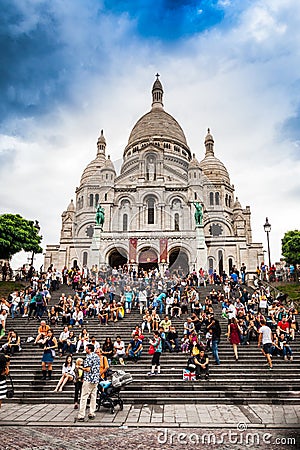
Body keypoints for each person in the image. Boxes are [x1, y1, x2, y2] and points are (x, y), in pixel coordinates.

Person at [77, 344, 100, 421]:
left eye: (86, 348)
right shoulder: (97, 356)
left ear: (89, 349)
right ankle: (92, 412)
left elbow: (88, 369)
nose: (85, 349)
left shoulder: (88, 357)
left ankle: (81, 415)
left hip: (89, 379)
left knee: (84, 397)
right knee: (93, 396)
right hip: (95, 379)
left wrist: (80, 367)